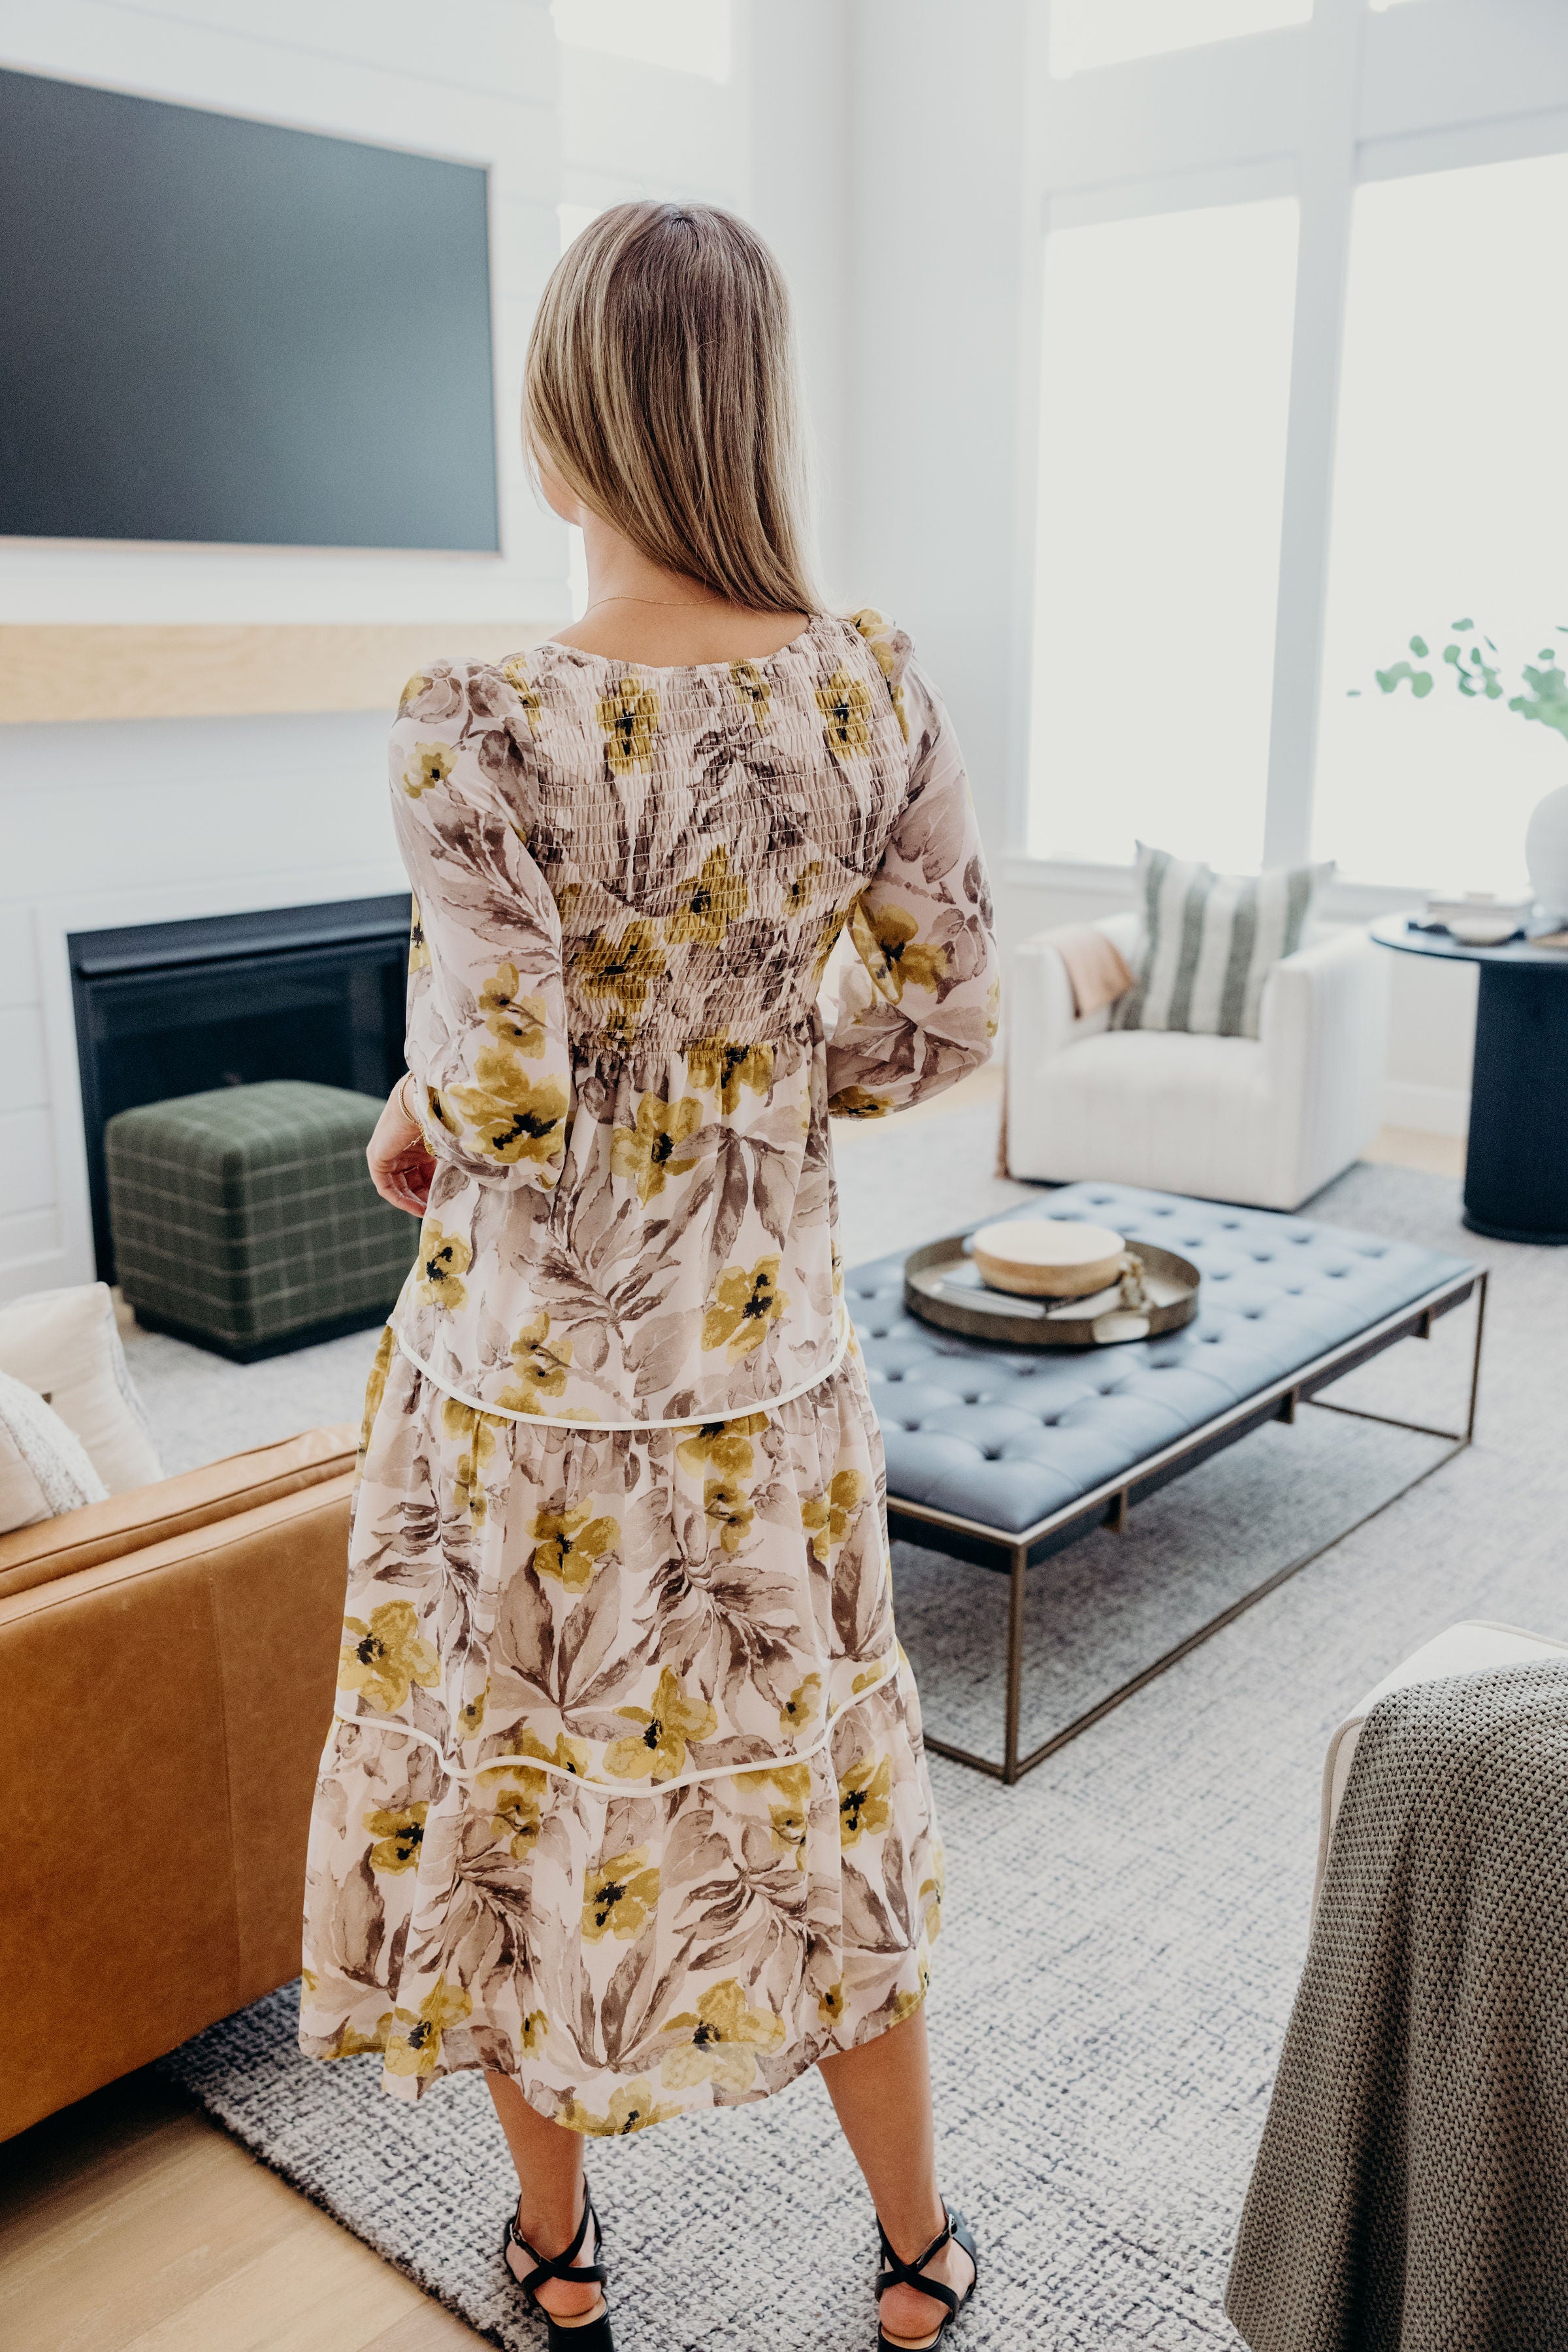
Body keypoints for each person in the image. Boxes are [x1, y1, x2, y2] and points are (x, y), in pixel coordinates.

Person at [299, 200, 997, 2352]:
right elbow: (951, 1017)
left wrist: (408, 1120)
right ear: (748, 400)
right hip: (767, 1368)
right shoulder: (869, 677)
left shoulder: (474, 716)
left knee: (527, 1803)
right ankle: (912, 2261)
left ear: (565, 411)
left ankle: (565, 2261)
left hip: (526, 1389)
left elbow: (496, 1092)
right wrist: (773, 1077)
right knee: (810, 1800)